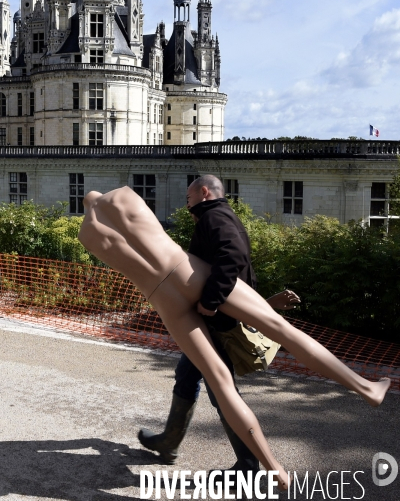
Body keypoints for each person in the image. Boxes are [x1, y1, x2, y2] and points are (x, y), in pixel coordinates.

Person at [78, 186, 391, 491]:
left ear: (84, 204)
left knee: (219, 381)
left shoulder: (86, 235)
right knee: (284, 331)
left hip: (162, 298)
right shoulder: (123, 195)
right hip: (187, 270)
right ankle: (365, 388)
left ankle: (273, 468)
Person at [138, 175, 295, 483]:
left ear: (204, 192)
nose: (186, 202)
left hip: (217, 321)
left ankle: (248, 466)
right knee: (187, 374)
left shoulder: (214, 216)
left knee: (222, 392)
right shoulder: (219, 216)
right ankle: (169, 442)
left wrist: (210, 301)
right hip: (215, 320)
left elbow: (232, 257)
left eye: (189, 196)